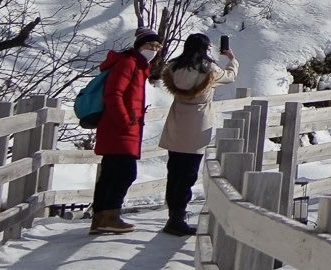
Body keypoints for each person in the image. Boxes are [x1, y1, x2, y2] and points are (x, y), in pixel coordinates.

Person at [154, 33, 237, 236]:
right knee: (188, 173)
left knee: (174, 171)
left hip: (176, 119)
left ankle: (173, 214)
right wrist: (231, 58)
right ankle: (177, 218)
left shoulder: (174, 66)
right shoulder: (208, 68)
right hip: (198, 121)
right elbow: (230, 76)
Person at [90, 28, 164, 235]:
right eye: (151, 45)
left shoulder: (138, 67)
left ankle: (100, 218)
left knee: (111, 173)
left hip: (122, 128)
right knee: (125, 173)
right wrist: (125, 120)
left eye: (157, 47)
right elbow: (113, 93)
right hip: (120, 128)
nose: (154, 50)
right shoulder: (128, 63)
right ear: (140, 45)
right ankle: (110, 216)